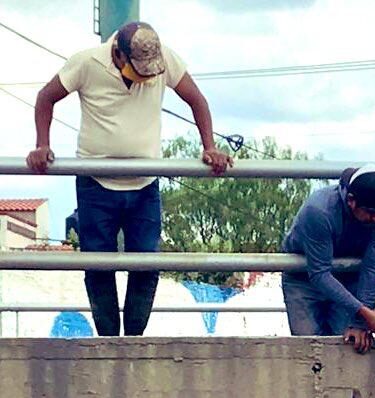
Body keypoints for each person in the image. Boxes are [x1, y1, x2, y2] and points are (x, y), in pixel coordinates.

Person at [27, 21, 232, 337]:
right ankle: (109, 341)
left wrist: (210, 147)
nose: (144, 80)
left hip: (144, 185)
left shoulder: (165, 59)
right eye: (139, 73)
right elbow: (46, 98)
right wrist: (43, 144)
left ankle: (134, 340)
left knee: (146, 265)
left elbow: (197, 99)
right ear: (118, 56)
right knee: (98, 266)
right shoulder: (87, 62)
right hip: (96, 184)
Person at [281, 165, 375, 352]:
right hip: (303, 278)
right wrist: (364, 312)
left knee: (349, 347)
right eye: (371, 213)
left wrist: (360, 322)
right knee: (311, 350)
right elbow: (319, 273)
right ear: (351, 200)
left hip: (350, 277)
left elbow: (373, 266)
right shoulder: (319, 211)